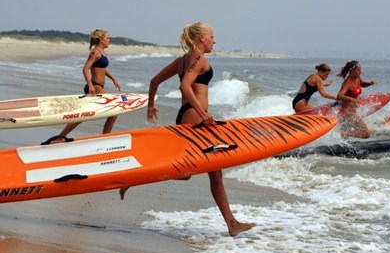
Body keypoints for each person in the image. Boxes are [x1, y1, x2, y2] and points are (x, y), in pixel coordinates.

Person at [119, 22, 256, 237]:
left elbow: (155, 80)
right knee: (206, 170)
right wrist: (202, 114)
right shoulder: (198, 57)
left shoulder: (182, 60)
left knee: (190, 172)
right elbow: (185, 86)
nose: (214, 40)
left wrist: (151, 105)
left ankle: (232, 223)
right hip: (195, 117)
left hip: (187, 114)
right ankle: (231, 224)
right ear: (201, 38)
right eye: (212, 36)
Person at [58, 28, 121, 137]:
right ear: (101, 40)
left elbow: (102, 69)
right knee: (114, 112)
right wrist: (91, 86)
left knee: (84, 115)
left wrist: (113, 79)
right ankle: (105, 137)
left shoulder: (102, 52)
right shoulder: (95, 52)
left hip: (97, 86)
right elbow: (85, 68)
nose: (109, 40)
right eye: (107, 38)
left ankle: (61, 136)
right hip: (95, 86)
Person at [336, 60, 377, 139]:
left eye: (360, 70)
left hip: (352, 113)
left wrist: (369, 83)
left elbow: (362, 84)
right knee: (366, 133)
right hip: (347, 114)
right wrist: (352, 99)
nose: (360, 72)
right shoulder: (348, 82)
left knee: (344, 140)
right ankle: (341, 133)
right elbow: (339, 96)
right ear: (351, 70)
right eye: (358, 70)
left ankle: (342, 134)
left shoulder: (357, 78)